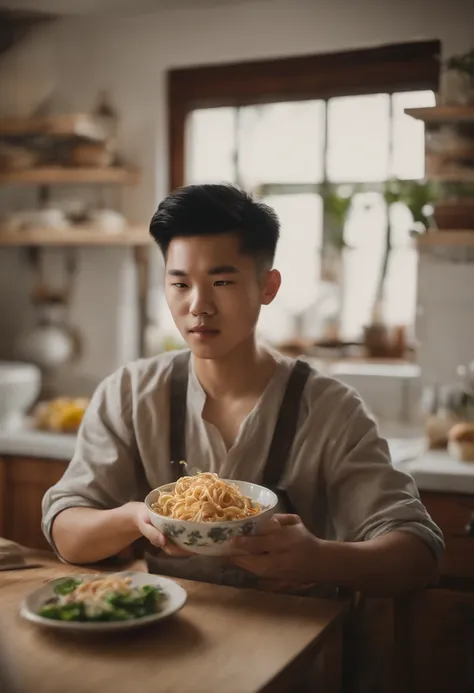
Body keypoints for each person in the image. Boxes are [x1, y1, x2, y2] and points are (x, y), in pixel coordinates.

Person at [42, 184, 443, 597]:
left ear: (267, 286)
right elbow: (66, 528)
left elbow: (419, 554)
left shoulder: (329, 409)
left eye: (222, 282)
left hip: (297, 643)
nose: (199, 305)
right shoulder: (128, 394)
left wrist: (319, 557)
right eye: (180, 284)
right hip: (170, 635)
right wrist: (133, 518)